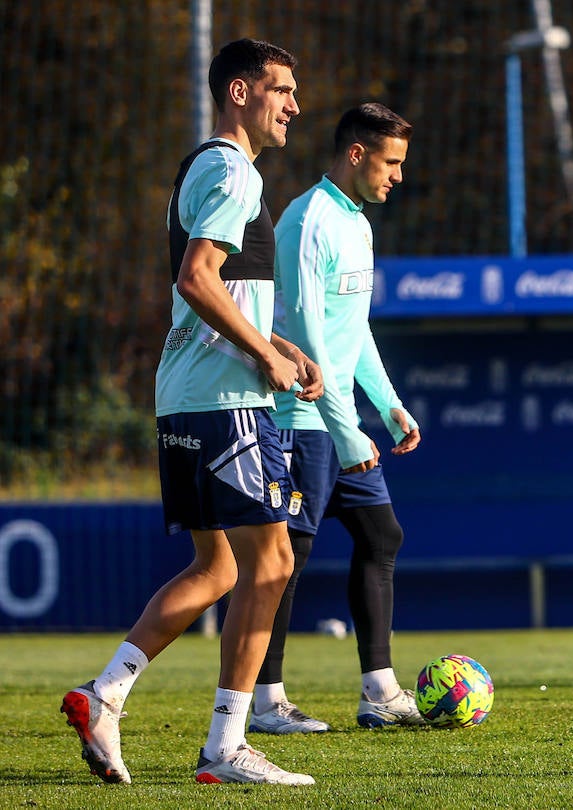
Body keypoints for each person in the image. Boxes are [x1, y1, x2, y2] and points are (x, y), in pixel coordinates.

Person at [59, 38, 321, 785]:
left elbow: (208, 296)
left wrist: (277, 344)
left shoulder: (206, 166)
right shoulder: (233, 170)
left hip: (188, 395)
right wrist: (267, 362)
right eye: (282, 90)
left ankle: (105, 694)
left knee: (218, 568)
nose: (294, 106)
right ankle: (225, 747)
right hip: (226, 401)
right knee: (271, 561)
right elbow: (198, 278)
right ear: (240, 92)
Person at [248, 102, 424, 734]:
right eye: (392, 162)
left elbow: (354, 330)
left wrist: (388, 402)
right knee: (286, 557)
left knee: (383, 537)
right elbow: (306, 334)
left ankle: (379, 691)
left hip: (339, 420)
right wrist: (350, 432)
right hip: (300, 419)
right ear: (357, 154)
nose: (398, 176)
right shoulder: (309, 220)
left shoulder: (358, 222)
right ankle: (265, 702)